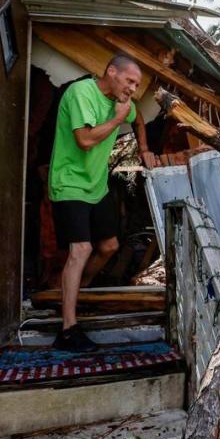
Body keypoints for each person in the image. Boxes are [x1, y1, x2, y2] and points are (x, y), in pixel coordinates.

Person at [48, 54, 152, 352]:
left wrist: (143, 148)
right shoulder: (82, 93)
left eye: (137, 84)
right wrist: (118, 119)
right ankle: (68, 328)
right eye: (129, 81)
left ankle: (75, 293)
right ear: (111, 72)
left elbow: (138, 117)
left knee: (109, 247)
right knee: (81, 249)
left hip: (97, 185)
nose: (133, 89)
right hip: (69, 183)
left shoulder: (123, 103)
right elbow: (85, 139)